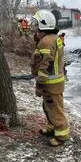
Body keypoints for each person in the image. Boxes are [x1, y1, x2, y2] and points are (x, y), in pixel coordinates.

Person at [31, 9, 70, 146]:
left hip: (50, 83)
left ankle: (62, 136)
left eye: (36, 24)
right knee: (49, 107)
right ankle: (53, 127)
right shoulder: (54, 39)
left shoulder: (46, 42)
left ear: (44, 25)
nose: (33, 27)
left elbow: (45, 65)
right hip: (55, 82)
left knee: (55, 109)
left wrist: (40, 83)